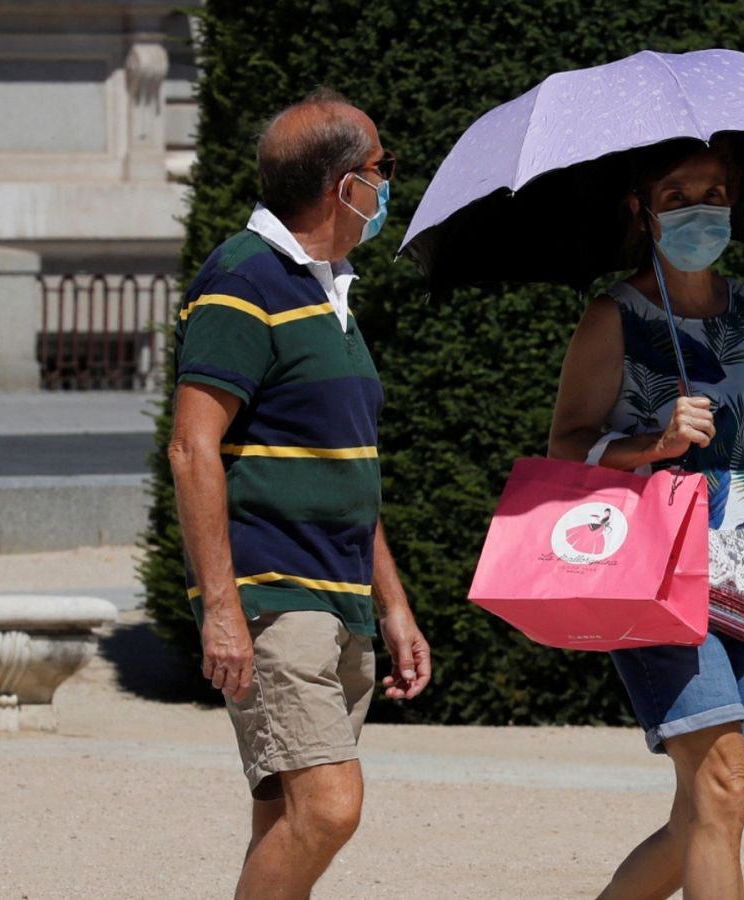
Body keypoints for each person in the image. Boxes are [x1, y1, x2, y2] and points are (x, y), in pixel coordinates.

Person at [547, 138, 744, 900]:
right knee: (722, 782)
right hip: (656, 573)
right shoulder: (615, 316)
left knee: (711, 805)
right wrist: (654, 445)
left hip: (743, 567)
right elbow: (564, 446)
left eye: (714, 194)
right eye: (678, 196)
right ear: (643, 210)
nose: (701, 210)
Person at [167, 88, 431, 900]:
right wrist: (222, 609)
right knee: (329, 807)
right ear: (343, 186)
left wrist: (392, 603)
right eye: (382, 168)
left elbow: (343, 464)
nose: (388, 185)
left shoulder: (328, 290)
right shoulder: (243, 279)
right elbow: (191, 447)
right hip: (276, 595)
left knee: (285, 815)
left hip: (338, 592)